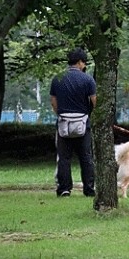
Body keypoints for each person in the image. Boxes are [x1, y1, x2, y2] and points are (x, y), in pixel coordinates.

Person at [50, 47, 96, 197]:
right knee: (86, 157)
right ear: (80, 62)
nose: (85, 65)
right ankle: (89, 189)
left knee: (64, 158)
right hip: (83, 122)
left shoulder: (57, 78)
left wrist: (61, 114)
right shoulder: (88, 79)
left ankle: (64, 188)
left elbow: (53, 101)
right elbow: (94, 101)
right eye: (84, 62)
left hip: (63, 123)